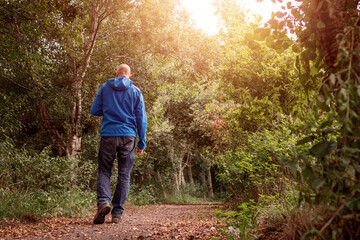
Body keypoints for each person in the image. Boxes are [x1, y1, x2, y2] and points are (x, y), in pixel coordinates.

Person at [90, 64, 147, 224]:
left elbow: (94, 110)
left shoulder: (105, 87)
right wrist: (141, 142)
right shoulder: (135, 91)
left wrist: (109, 110)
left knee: (104, 171)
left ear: (116, 74)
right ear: (129, 75)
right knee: (124, 174)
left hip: (108, 134)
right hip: (128, 136)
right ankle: (116, 214)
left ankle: (103, 203)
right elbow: (141, 118)